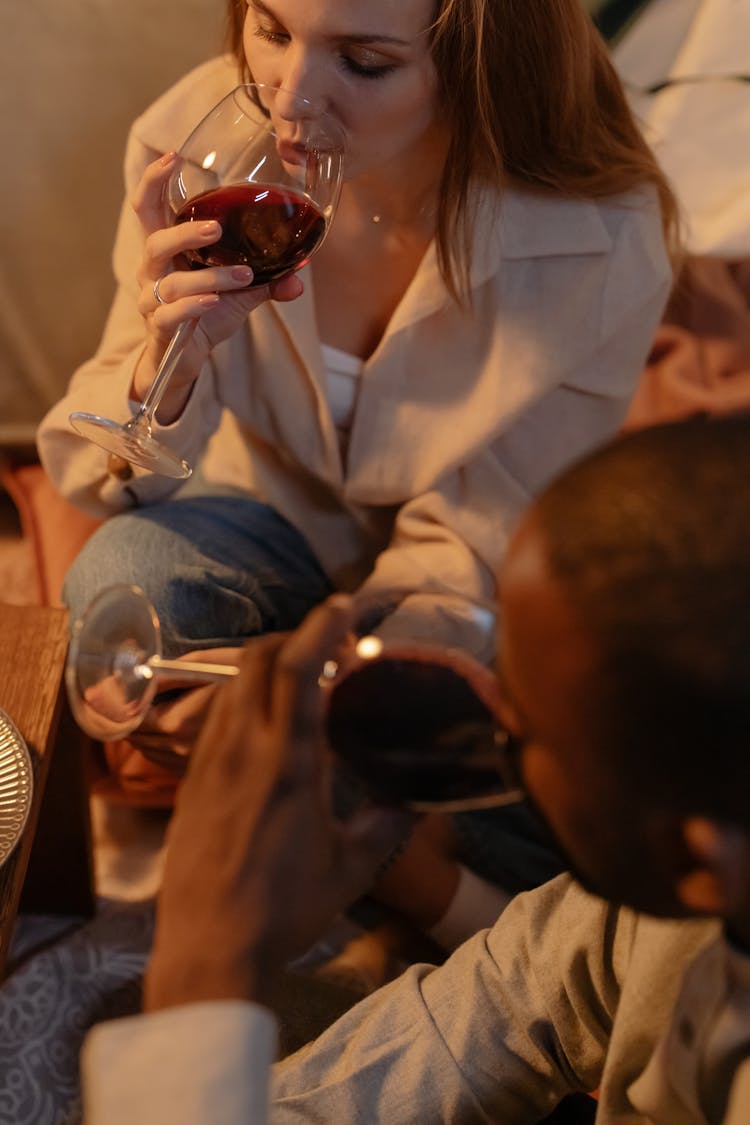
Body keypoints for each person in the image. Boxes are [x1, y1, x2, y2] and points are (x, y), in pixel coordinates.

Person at [37, 0, 676, 943]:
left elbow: (477, 537)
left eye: (364, 62)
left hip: (465, 590)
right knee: (121, 592)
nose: (289, 97)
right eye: (271, 28)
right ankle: (347, 813)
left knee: (610, 830)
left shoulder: (599, 236)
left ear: (476, 68)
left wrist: (335, 684)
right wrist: (171, 360)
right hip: (262, 523)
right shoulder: (199, 146)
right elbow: (103, 475)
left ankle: (385, 855)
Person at [80, 411, 750, 1123]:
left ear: (697, 862)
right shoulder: (679, 871)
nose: (488, 717)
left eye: (519, 732)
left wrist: (202, 971)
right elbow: (509, 1001)